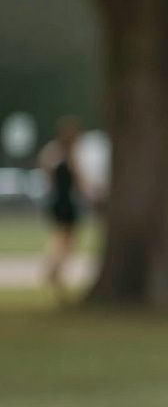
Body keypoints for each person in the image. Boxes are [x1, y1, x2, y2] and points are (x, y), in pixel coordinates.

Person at [37, 116, 92, 303]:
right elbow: (80, 181)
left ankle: (54, 269)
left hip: (57, 200)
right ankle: (54, 269)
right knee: (67, 240)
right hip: (66, 202)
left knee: (61, 238)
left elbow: (46, 173)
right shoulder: (70, 155)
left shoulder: (51, 152)